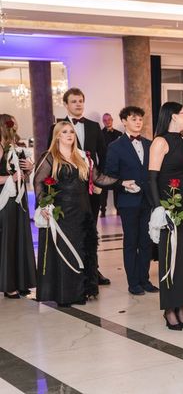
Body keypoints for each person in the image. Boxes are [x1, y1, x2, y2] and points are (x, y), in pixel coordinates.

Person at [34, 122, 135, 307]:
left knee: (83, 251)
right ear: (57, 136)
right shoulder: (49, 157)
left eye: (71, 132)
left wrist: (121, 183)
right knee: (65, 252)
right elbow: (39, 182)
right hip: (61, 212)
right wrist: (44, 205)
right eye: (64, 132)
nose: (69, 135)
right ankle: (65, 294)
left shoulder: (82, 156)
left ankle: (80, 291)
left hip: (83, 211)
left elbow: (98, 178)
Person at [47, 87, 110, 286]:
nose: (78, 104)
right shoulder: (57, 127)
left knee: (91, 230)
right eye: (74, 101)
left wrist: (99, 181)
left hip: (91, 187)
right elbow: (51, 158)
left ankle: (93, 270)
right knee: (71, 229)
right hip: (68, 190)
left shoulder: (93, 126)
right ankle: (72, 270)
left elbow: (103, 155)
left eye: (81, 101)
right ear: (66, 104)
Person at [148, 102, 183, 330]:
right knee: (170, 255)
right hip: (168, 204)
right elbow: (152, 178)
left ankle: (181, 306)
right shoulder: (160, 141)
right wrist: (158, 208)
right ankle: (170, 308)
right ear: (173, 116)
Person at [105, 106, 158, 296]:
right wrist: (122, 184)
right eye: (133, 119)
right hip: (128, 201)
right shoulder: (115, 146)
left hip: (147, 200)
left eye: (140, 119)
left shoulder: (150, 144)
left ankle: (145, 279)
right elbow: (109, 175)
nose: (138, 122)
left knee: (146, 241)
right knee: (131, 242)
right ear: (124, 121)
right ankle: (133, 282)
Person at [0, 114, 36, 299]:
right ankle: (8, 285)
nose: (15, 126)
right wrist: (11, 178)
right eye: (12, 123)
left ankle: (21, 281)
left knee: (21, 238)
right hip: (5, 200)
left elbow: (22, 175)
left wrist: (28, 169)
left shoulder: (16, 147)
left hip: (20, 200)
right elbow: (9, 177)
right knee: (8, 239)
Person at [100, 112, 122, 217]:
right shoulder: (100, 134)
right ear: (103, 122)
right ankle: (103, 210)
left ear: (112, 120)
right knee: (103, 189)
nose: (107, 122)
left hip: (117, 165)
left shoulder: (119, 134)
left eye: (109, 119)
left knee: (117, 188)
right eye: (105, 120)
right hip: (104, 165)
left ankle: (118, 209)